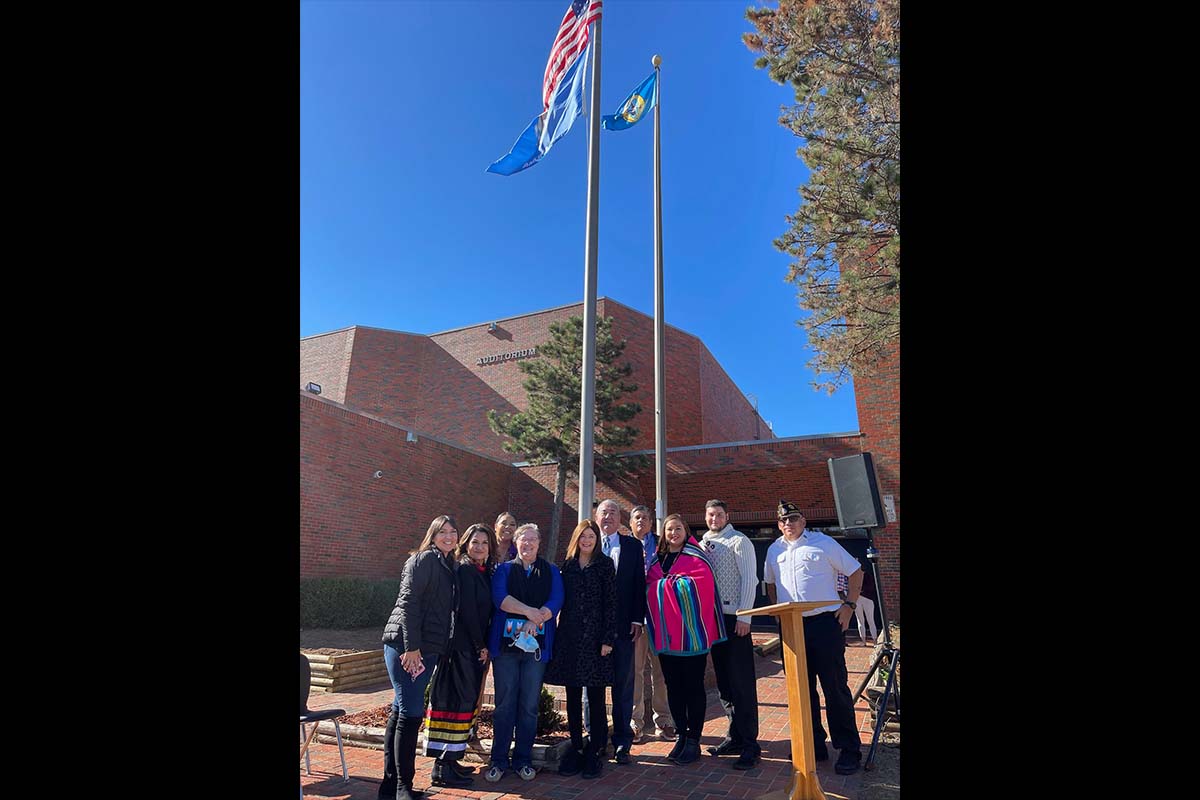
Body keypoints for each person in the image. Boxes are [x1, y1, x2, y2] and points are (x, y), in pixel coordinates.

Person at [763, 501, 864, 776]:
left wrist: (849, 606)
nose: (788, 524)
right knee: (801, 691)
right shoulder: (774, 550)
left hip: (824, 624)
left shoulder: (823, 543)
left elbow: (856, 571)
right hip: (792, 626)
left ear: (804, 520)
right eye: (783, 521)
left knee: (834, 688)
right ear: (778, 524)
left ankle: (848, 749)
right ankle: (813, 745)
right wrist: (777, 616)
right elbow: (770, 584)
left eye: (793, 519)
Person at [380, 515, 460, 800]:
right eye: (443, 532)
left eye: (453, 532)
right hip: (408, 648)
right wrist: (411, 648)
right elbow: (409, 603)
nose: (449, 537)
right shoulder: (424, 560)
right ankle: (403, 788)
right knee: (411, 715)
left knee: (400, 711)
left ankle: (390, 788)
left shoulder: (448, 564)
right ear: (433, 535)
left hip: (428, 648)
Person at [484, 523, 564, 784]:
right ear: (516, 543)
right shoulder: (504, 570)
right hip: (506, 650)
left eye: (532, 540)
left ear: (539, 543)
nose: (527, 544)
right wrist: (530, 612)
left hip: (536, 650)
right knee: (504, 704)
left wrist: (538, 619)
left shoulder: (551, 571)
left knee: (529, 706)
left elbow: (557, 600)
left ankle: (523, 760)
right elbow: (500, 599)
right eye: (523, 540)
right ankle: (498, 760)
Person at [645, 513, 726, 765]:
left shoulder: (696, 557)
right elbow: (648, 587)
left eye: (678, 528)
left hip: (691, 638)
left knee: (693, 687)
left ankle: (694, 740)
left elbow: (703, 586)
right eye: (669, 529)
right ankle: (681, 735)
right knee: (673, 687)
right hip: (668, 639)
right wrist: (666, 585)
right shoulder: (656, 560)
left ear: (686, 531)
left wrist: (666, 586)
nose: (673, 533)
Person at [423, 523, 499, 787]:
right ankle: (441, 768)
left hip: (471, 648)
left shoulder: (483, 571)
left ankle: (452, 760)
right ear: (465, 544)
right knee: (453, 703)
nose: (479, 547)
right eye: (475, 542)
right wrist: (480, 645)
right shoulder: (465, 569)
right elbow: (467, 611)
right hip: (460, 648)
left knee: (465, 704)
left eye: (485, 543)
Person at [544, 519, 617, 780]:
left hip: (596, 640)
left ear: (597, 540)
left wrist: (608, 639)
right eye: (583, 536)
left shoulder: (605, 565)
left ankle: (595, 751)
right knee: (572, 697)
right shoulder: (568, 566)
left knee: (596, 698)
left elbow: (611, 604)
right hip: (571, 640)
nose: (587, 540)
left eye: (591, 536)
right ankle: (576, 747)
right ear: (576, 538)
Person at [700, 499, 762, 769]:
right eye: (710, 514)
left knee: (741, 683)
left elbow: (750, 579)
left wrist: (745, 615)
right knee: (724, 682)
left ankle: (750, 743)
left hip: (735, 618)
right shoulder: (702, 544)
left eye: (719, 514)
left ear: (727, 516)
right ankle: (734, 736)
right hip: (713, 620)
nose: (714, 519)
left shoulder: (740, 541)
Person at [595, 498, 649, 765]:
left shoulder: (631, 546)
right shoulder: (587, 542)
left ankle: (622, 742)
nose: (608, 517)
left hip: (624, 627)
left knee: (623, 684)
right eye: (604, 513)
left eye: (613, 513)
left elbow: (639, 584)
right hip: (593, 630)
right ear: (596, 516)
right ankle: (595, 739)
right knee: (591, 685)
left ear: (620, 519)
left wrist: (638, 619)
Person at [627, 504, 674, 741]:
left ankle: (664, 720)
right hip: (634, 619)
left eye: (646, 518)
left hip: (659, 618)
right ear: (630, 522)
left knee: (661, 672)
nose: (641, 521)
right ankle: (635, 722)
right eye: (637, 517)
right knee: (634, 671)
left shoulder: (662, 545)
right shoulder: (624, 546)